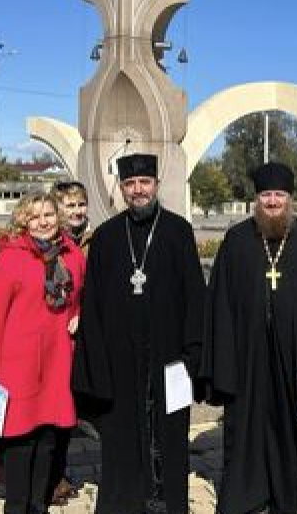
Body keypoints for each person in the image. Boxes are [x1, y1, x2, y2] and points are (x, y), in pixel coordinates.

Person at [71, 153, 207, 514]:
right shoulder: (107, 237)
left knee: (169, 436)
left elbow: (195, 297)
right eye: (130, 184)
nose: (138, 190)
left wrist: (193, 355)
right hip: (121, 360)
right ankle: (125, 502)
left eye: (144, 182)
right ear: (122, 189)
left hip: (170, 357)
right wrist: (97, 362)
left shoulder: (178, 231)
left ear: (156, 184)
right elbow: (94, 305)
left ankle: (168, 500)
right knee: (122, 438)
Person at [206, 162, 297, 514]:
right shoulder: (237, 239)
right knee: (246, 428)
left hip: (296, 357)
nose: (273, 201)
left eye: (279, 195)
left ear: (290, 199)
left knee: (293, 428)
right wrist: (224, 360)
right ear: (256, 200)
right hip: (248, 357)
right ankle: (248, 495)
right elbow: (219, 303)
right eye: (266, 195)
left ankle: (292, 497)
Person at [0, 192, 86, 514]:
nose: (43, 221)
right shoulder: (10, 259)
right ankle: (18, 506)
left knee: (49, 441)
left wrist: (80, 315)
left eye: (49, 214)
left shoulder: (73, 256)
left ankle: (39, 505)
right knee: (20, 445)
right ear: (23, 220)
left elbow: (79, 298)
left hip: (56, 364)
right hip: (17, 370)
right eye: (34, 216)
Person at [48, 180, 92, 504]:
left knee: (68, 411)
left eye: (80, 205)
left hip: (81, 337)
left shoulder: (95, 239)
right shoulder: (51, 244)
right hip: (54, 338)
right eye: (69, 205)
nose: (77, 211)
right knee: (52, 411)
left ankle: (57, 472)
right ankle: (50, 477)